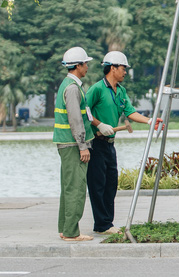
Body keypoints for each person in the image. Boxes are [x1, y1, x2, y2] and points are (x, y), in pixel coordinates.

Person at [85, 51, 162, 235]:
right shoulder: (97, 89)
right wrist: (99, 124)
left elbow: (130, 112)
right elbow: (84, 110)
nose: (126, 72)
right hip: (95, 143)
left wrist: (150, 121)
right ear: (112, 68)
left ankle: (107, 223)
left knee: (111, 183)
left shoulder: (120, 90)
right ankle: (102, 224)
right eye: (123, 68)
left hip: (110, 144)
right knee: (98, 185)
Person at [54, 47, 94, 242]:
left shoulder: (69, 85)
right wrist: (83, 146)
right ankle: (71, 232)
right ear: (77, 66)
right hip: (72, 144)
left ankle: (65, 228)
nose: (87, 67)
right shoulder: (72, 88)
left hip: (67, 143)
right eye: (85, 63)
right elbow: (75, 119)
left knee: (68, 187)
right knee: (76, 188)